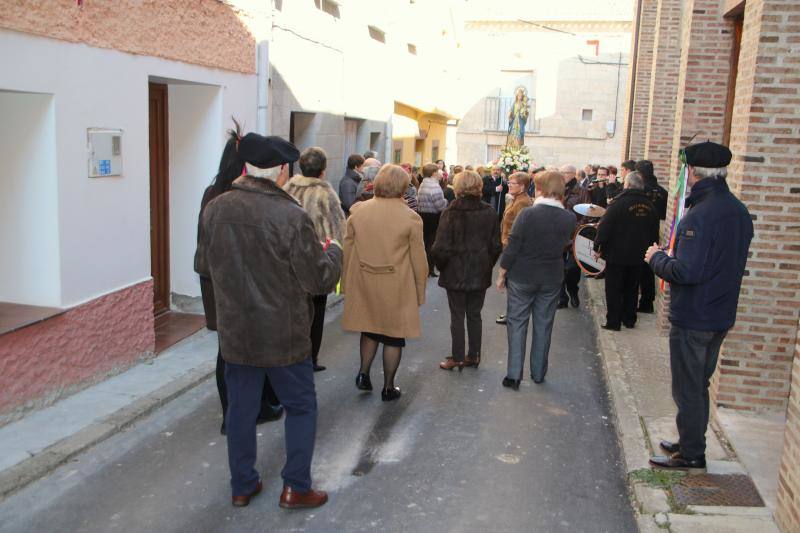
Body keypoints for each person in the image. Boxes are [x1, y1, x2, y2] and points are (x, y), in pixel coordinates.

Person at [195, 132, 341, 509]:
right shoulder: (291, 216)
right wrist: (334, 253)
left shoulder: (216, 207)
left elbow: (203, 266)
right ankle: (296, 486)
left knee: (241, 410)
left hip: (237, 332)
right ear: (280, 172)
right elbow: (319, 279)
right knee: (302, 405)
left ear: (246, 169)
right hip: (284, 334)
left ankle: (242, 484)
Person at [646, 141, 753, 470]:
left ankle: (692, 453)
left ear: (691, 172)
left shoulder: (700, 215)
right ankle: (689, 439)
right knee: (698, 384)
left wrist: (656, 258)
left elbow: (686, 271)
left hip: (695, 316)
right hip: (719, 313)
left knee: (689, 388)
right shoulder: (737, 209)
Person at [197, 120, 283, 436]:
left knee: (227, 349)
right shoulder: (245, 197)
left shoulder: (212, 193)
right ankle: (253, 409)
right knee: (253, 348)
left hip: (216, 281)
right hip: (242, 283)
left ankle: (231, 415)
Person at [341, 165, 428, 401]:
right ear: (403, 186)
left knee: (369, 328)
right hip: (396, 284)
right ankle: (388, 387)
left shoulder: (358, 211)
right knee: (393, 336)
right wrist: (420, 292)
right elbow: (418, 259)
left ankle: (363, 373)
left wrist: (345, 284)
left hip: (364, 279)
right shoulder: (411, 218)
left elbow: (348, 249)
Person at [496, 171, 577, 389]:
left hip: (522, 276)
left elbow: (513, 246)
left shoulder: (528, 215)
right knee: (543, 325)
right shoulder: (569, 218)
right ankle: (539, 372)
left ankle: (514, 375)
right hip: (551, 277)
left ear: (539, 189)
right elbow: (565, 243)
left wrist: (502, 272)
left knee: (517, 323)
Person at [283, 147, 347, 373]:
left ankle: (290, 355)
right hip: (315, 261)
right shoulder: (325, 193)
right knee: (316, 312)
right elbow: (338, 231)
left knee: (292, 312)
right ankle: (310, 359)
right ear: (323, 170)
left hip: (288, 262)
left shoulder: (286, 188)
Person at [432, 170, 501, 370]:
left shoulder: (451, 212)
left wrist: (442, 266)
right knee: (474, 314)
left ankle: (457, 356)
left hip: (454, 273)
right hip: (479, 272)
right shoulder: (488, 212)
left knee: (457, 315)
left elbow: (440, 248)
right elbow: (496, 246)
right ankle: (474, 355)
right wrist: (487, 263)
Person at [593, 171, 659, 331]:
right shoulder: (650, 205)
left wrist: (598, 246)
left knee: (614, 288)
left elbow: (605, 227)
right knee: (632, 287)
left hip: (617, 254)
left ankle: (614, 321)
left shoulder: (618, 203)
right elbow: (654, 232)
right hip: (639, 254)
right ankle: (629, 318)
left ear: (627, 185)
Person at [495, 171, 534, 325]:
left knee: (512, 282)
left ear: (523, 186)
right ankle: (511, 312)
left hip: (514, 247)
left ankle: (513, 314)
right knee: (511, 282)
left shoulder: (523, 202)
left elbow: (521, 229)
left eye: (513, 183)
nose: (509, 185)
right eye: (509, 183)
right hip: (508, 244)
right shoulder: (516, 199)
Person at [636, 159, 668, 313]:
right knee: (648, 270)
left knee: (636, 270)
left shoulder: (639, 191)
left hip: (638, 233)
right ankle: (647, 302)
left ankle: (638, 302)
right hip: (653, 235)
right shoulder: (662, 191)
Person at [558, 164, 586, 309]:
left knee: (572, 269)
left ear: (573, 174)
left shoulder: (582, 192)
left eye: (565, 173)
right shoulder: (559, 190)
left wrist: (575, 228)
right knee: (558, 267)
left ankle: (573, 291)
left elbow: (587, 214)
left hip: (575, 234)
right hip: (560, 233)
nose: (563, 175)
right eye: (561, 172)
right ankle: (562, 299)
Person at [417, 163, 448, 277]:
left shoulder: (423, 184)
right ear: (434, 173)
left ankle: (425, 267)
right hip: (433, 217)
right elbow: (440, 205)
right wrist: (446, 201)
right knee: (432, 244)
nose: (440, 173)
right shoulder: (434, 186)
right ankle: (430, 268)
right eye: (438, 171)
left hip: (423, 214)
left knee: (425, 243)